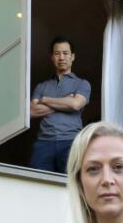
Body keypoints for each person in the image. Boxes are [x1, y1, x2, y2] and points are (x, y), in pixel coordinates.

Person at [28, 37, 92, 173]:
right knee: (38, 184)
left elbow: (75, 104)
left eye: (65, 53)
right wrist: (65, 101)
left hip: (71, 141)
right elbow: (31, 112)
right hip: (43, 142)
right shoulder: (42, 86)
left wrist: (45, 100)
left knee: (70, 185)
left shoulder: (82, 84)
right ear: (52, 57)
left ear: (72, 57)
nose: (61, 57)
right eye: (57, 54)